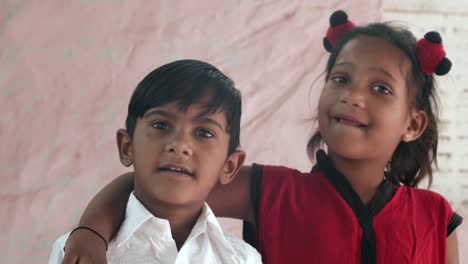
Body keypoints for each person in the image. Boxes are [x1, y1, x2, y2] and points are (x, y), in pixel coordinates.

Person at [61, 11, 462, 264]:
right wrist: (90, 234)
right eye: (341, 78)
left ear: (413, 124)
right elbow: (147, 181)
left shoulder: (436, 216)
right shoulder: (270, 190)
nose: (352, 95)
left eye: (380, 89)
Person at [48, 59, 261, 263]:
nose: (179, 144)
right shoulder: (78, 252)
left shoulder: (242, 259)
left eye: (204, 132)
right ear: (127, 147)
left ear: (230, 166)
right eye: (160, 125)